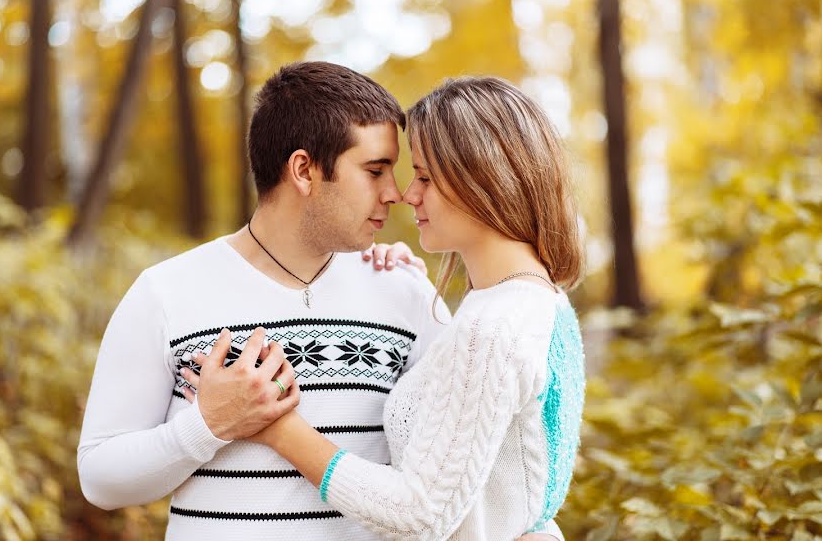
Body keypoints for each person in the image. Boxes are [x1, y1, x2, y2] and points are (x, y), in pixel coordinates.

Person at [77, 62, 563, 540]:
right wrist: (207, 426)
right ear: (304, 170)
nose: (395, 193)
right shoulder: (165, 292)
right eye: (375, 171)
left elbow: (462, 473)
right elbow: (100, 479)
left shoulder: (408, 292)